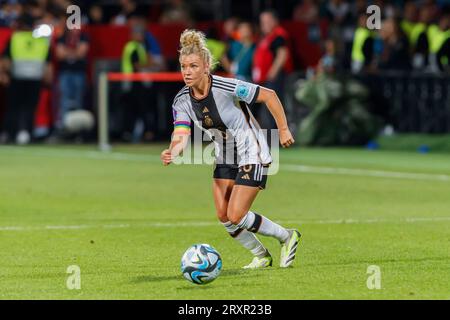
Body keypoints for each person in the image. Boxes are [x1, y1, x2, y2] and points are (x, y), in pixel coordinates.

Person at [160, 29, 301, 269]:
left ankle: (287, 236)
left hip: (251, 150)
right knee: (224, 216)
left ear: (206, 66)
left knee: (237, 214)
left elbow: (269, 95)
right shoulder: (181, 100)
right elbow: (181, 134)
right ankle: (261, 255)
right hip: (224, 154)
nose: (187, 71)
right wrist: (174, 150)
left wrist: (284, 129)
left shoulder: (227, 86)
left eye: (193, 66)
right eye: (183, 66)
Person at [0, 13, 51, 145]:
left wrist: (4, 74)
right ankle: (27, 133)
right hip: (35, 79)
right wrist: (48, 79)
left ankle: (9, 133)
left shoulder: (15, 38)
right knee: (30, 107)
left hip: (17, 77)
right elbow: (47, 63)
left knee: (13, 107)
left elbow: (5, 60)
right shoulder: (42, 41)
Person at [253, 10, 293, 130]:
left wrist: (272, 73)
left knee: (274, 108)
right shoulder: (267, 37)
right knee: (266, 109)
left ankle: (277, 138)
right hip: (265, 79)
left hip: (275, 78)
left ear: (275, 21)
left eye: (268, 21)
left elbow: (282, 54)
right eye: (263, 22)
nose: (265, 24)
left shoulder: (279, 35)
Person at [55, 25, 89, 130]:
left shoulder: (83, 37)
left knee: (78, 100)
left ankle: (77, 129)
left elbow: (82, 53)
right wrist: (75, 53)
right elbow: (59, 55)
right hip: (65, 73)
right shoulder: (62, 38)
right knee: (64, 101)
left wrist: (67, 52)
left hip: (79, 73)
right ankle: (64, 128)